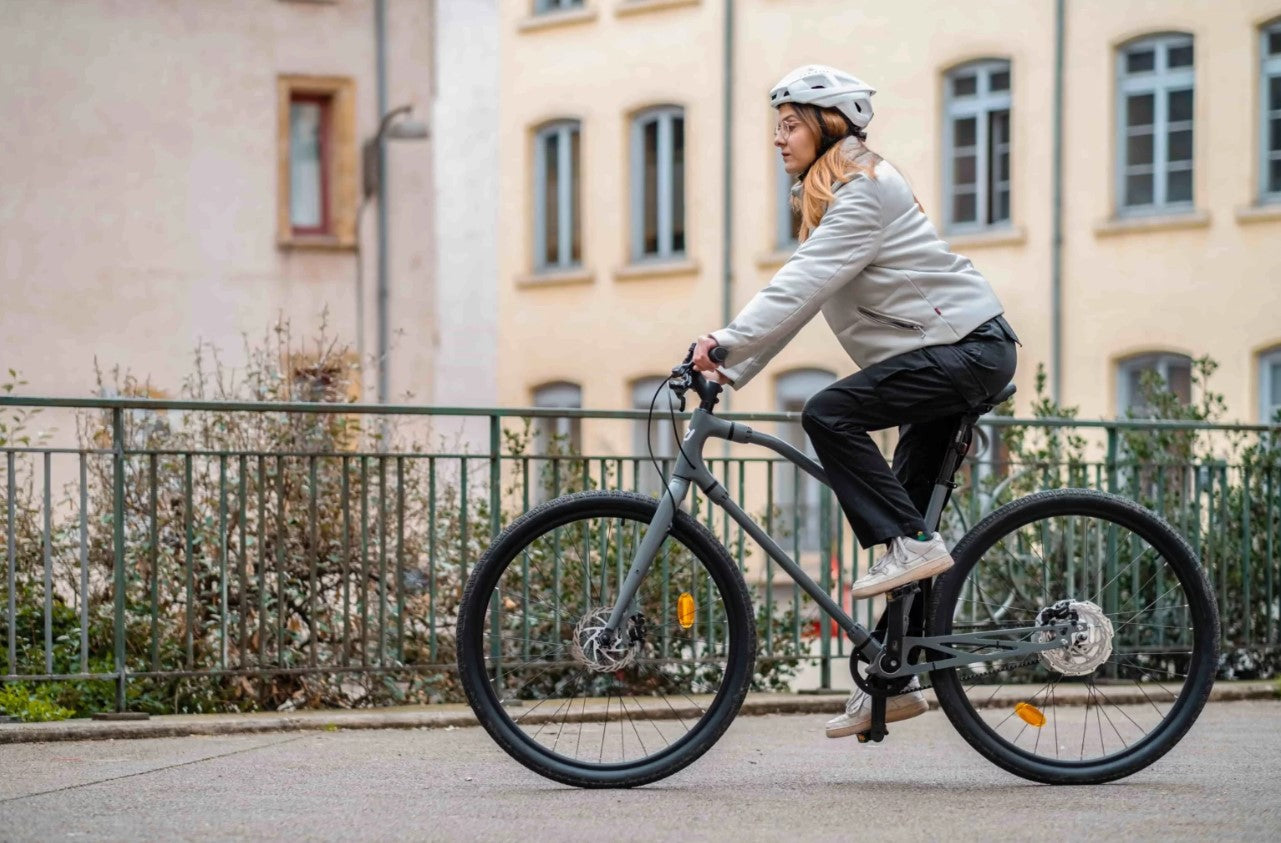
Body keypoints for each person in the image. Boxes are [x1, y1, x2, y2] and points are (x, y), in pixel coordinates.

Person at [691, 64, 1020, 739]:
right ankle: (890, 685)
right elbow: (803, 300)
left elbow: (797, 284)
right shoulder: (842, 193)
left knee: (827, 413)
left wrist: (721, 342)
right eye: (775, 128)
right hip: (949, 355)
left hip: (966, 350)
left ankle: (913, 545)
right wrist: (733, 366)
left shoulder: (863, 191)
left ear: (825, 124)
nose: (777, 140)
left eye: (788, 126)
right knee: (901, 510)